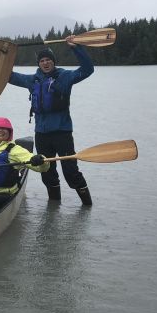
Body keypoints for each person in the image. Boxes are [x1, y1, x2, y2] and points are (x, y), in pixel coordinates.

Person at [8, 40, 94, 205]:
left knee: (70, 171)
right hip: (41, 134)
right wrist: (9, 54)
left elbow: (88, 69)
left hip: (62, 133)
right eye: (42, 61)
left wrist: (77, 48)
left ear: (54, 61)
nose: (45, 63)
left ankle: (87, 206)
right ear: (38, 64)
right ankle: (54, 208)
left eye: (48, 60)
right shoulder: (32, 80)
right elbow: (8, 76)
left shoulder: (65, 77)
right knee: (46, 171)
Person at [0, 117, 49, 214]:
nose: (0, 130)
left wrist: (41, 161)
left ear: (9, 133)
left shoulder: (15, 150)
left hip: (4, 193)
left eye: (4, 128)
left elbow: (41, 168)